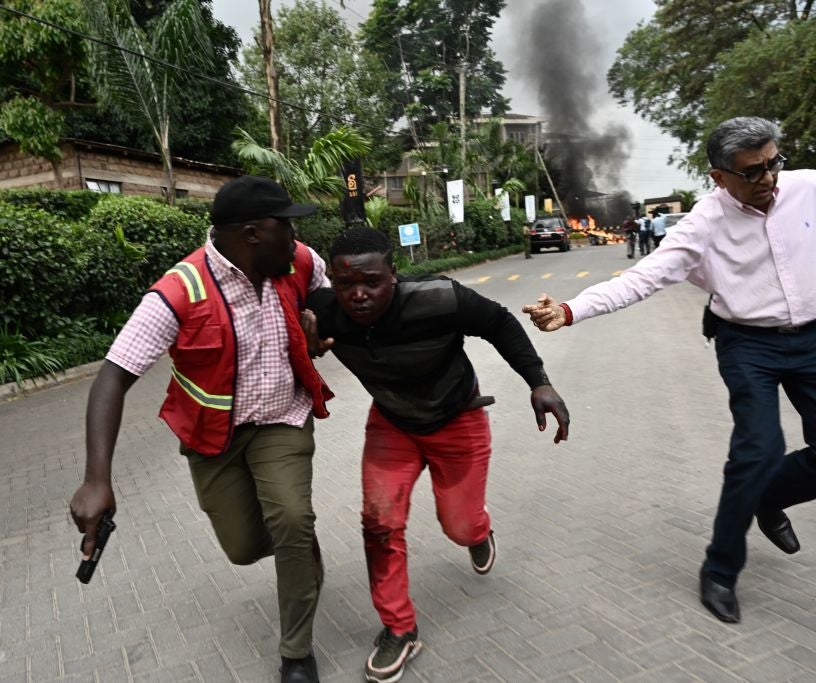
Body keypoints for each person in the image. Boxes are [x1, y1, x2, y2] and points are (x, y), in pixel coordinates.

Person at [521, 116, 816, 625]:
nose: (769, 179)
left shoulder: (807, 188)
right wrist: (569, 310)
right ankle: (720, 570)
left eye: (773, 164)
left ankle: (768, 496)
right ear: (719, 177)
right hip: (748, 344)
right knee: (757, 449)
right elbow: (641, 279)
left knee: (772, 471)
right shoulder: (701, 225)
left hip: (812, 336)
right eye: (752, 172)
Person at [69, 175, 334, 683]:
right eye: (287, 226)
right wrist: (97, 478)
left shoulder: (296, 260)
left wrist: (318, 323)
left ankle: (296, 654)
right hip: (216, 440)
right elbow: (113, 377)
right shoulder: (180, 290)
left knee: (293, 521)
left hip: (283, 418)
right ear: (254, 234)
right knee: (242, 547)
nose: (296, 238)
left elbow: (324, 291)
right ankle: (297, 545)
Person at [304, 227, 570, 682]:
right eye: (346, 285)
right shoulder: (323, 314)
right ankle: (399, 628)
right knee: (380, 521)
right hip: (393, 424)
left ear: (394, 275)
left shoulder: (439, 298)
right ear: (333, 281)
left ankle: (478, 530)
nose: (359, 295)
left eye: (372, 282)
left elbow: (500, 323)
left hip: (458, 417)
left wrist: (539, 381)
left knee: (459, 525)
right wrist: (306, 346)